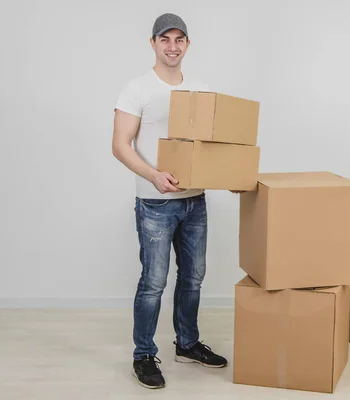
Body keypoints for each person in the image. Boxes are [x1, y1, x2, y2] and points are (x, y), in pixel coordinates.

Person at [112, 13, 229, 390]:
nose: (173, 46)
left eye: (179, 39)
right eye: (166, 39)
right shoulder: (137, 89)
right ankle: (143, 355)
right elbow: (119, 145)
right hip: (155, 202)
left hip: (195, 200)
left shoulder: (199, 88)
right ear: (153, 43)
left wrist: (230, 178)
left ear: (187, 45)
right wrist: (153, 176)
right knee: (154, 282)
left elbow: (211, 147)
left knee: (193, 278)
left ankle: (188, 344)